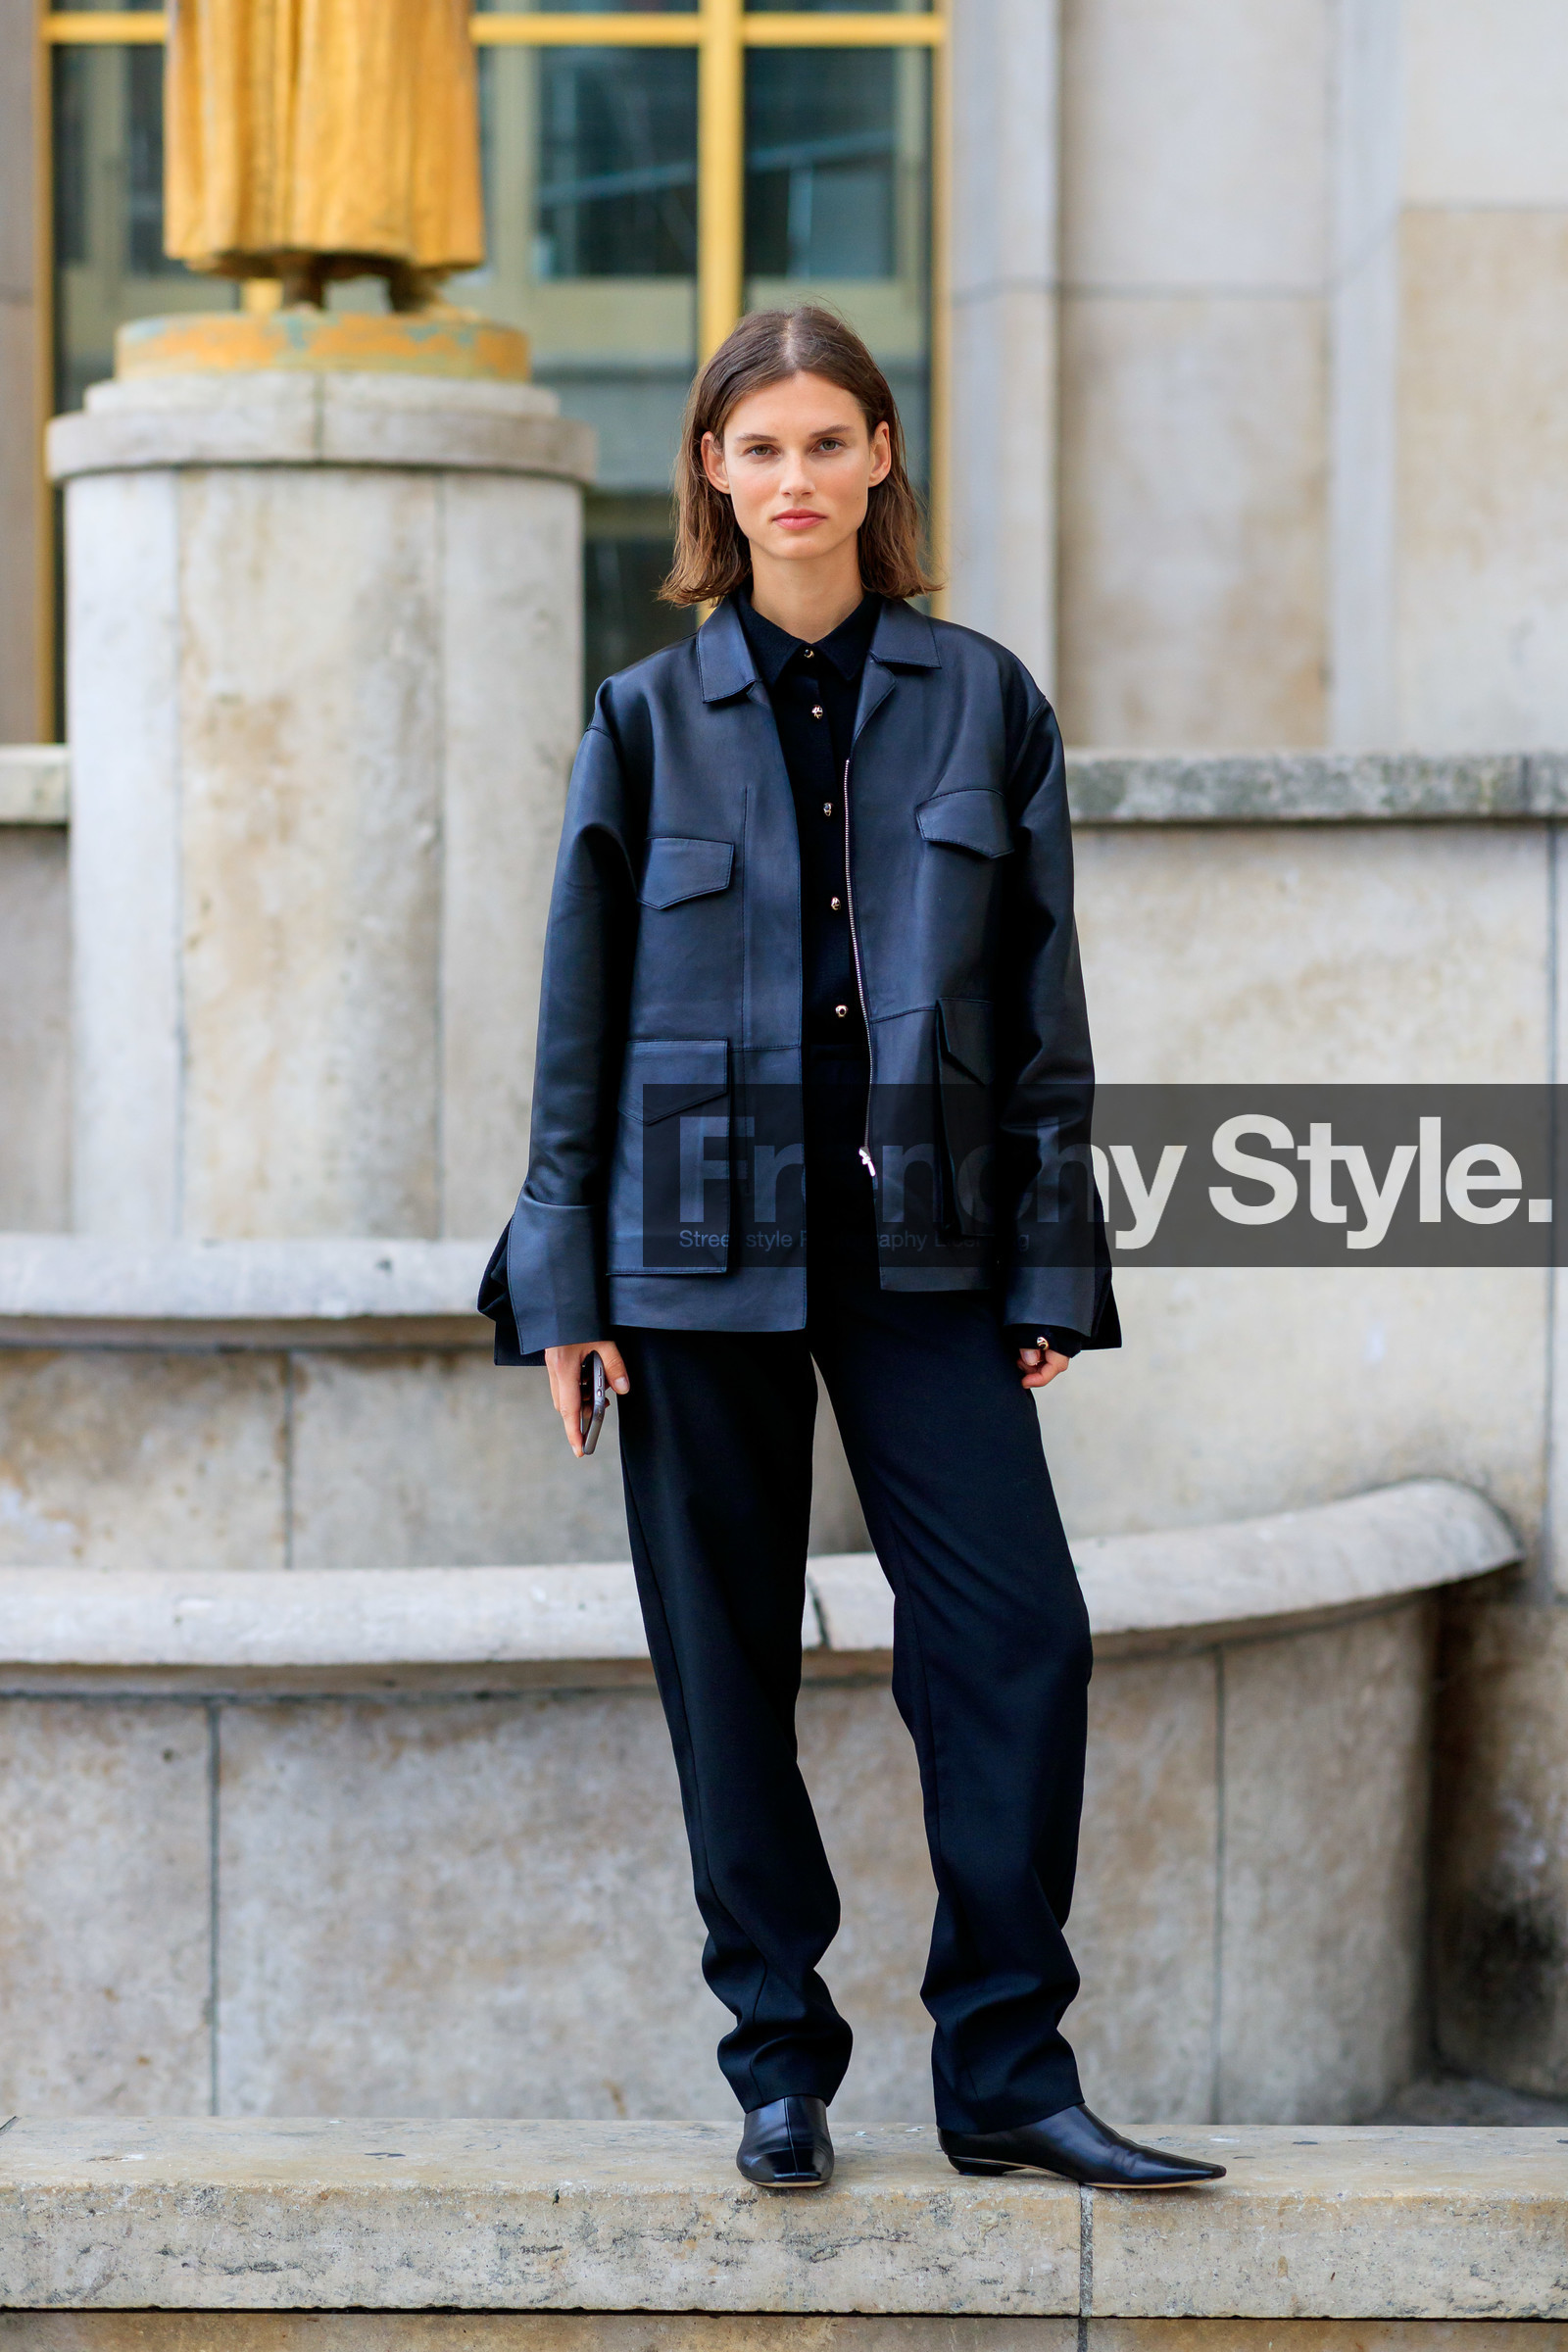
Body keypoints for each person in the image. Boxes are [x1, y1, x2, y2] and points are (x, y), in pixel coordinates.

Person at [480, 307, 1223, 2196]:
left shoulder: (987, 701)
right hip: (686, 1253)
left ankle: (1004, 2070)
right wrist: (565, 1282)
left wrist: (1052, 1267)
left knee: (1018, 1642)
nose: (795, 478)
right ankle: (778, 2063)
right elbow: (576, 1020)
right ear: (714, 482)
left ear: (882, 458)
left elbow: (1044, 1005)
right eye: (760, 449)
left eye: (829, 441)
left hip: (929, 1249)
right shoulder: (643, 721)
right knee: (719, 1662)